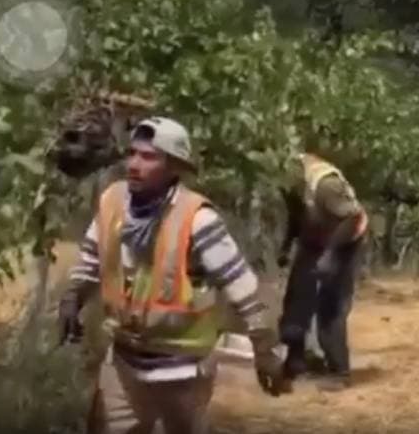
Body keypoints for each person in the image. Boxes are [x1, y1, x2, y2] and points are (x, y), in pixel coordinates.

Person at [57, 116, 285, 434]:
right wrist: (73, 296)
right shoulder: (113, 202)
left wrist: (265, 352)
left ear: (175, 167)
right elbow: (92, 257)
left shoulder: (198, 219)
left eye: (150, 157)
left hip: (182, 371)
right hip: (123, 360)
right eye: (133, 153)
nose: (135, 164)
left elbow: (244, 290)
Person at [276, 152, 369, 391]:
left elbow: (352, 218)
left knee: (331, 306)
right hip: (315, 238)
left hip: (345, 239)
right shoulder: (290, 182)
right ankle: (296, 362)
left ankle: (340, 371)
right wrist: (286, 247)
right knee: (296, 298)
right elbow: (296, 216)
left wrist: (330, 255)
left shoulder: (327, 184)